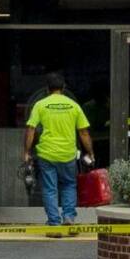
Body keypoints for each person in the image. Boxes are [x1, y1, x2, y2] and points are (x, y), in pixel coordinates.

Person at [23, 71, 95, 226]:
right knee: (69, 185)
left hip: (46, 154)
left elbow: (31, 129)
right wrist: (90, 152)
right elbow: (83, 132)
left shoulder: (40, 105)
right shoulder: (74, 106)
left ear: (47, 89)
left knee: (50, 189)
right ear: (63, 87)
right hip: (68, 154)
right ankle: (69, 217)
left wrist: (27, 152)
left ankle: (54, 223)